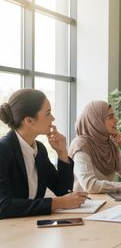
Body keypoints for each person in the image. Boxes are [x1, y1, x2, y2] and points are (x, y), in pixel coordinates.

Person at [0, 89, 87, 219]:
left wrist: (62, 153)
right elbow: (3, 206)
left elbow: (62, 191)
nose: (53, 118)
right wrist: (57, 203)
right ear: (29, 120)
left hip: (31, 227)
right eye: (48, 114)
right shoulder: (3, 150)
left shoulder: (39, 149)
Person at [69, 101, 121, 193]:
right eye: (111, 117)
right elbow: (89, 185)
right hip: (86, 204)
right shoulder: (81, 145)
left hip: (108, 202)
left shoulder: (110, 145)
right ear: (96, 121)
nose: (116, 120)